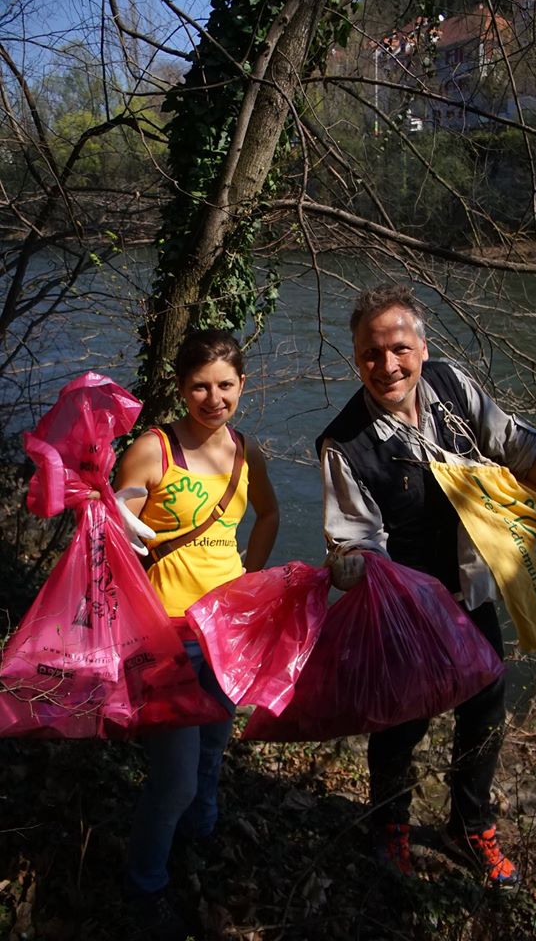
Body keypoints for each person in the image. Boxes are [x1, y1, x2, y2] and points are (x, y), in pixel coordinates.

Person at [317, 284, 536, 887]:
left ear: (422, 345)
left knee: (486, 706)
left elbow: (517, 447)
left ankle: (470, 824)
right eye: (370, 355)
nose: (387, 366)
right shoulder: (345, 444)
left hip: (473, 586)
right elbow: (353, 536)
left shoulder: (451, 388)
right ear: (355, 358)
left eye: (399, 349)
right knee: (401, 719)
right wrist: (350, 564)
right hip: (408, 610)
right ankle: (388, 824)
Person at [114, 328, 279, 939]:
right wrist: (122, 513)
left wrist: (251, 580)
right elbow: (116, 517)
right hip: (165, 635)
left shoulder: (246, 453)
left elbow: (270, 514)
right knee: (175, 774)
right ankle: (145, 884)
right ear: (182, 388)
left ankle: (198, 837)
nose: (214, 398)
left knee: (213, 750)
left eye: (226, 385)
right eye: (200, 386)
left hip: (226, 632)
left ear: (243, 384)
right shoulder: (154, 449)